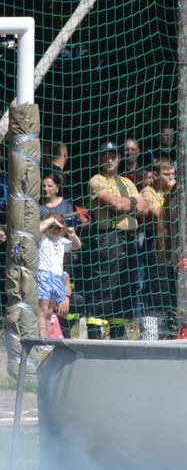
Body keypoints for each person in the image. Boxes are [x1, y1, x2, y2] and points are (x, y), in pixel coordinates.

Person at [84, 142, 149, 340]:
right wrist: (132, 203)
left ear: (119, 158)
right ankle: (95, 337)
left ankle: (119, 337)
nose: (110, 159)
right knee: (104, 287)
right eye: (105, 156)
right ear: (99, 158)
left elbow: (145, 207)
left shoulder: (127, 182)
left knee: (126, 289)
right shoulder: (97, 180)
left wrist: (127, 204)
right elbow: (113, 204)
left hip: (129, 239)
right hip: (108, 238)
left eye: (113, 155)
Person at [138, 158, 178, 339]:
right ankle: (153, 333)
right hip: (156, 243)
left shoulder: (176, 191)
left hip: (174, 244)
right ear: (155, 175)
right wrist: (172, 193)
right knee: (158, 288)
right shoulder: (148, 191)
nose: (171, 178)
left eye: (173, 174)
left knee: (173, 288)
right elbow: (159, 214)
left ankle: (174, 329)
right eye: (167, 174)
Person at [37, 213, 82, 339]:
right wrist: (51, 220)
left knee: (50, 312)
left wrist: (73, 235)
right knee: (42, 310)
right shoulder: (43, 238)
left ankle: (47, 339)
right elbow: (35, 230)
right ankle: (42, 339)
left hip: (56, 278)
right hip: (44, 276)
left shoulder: (62, 241)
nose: (54, 230)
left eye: (57, 228)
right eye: (52, 226)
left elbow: (77, 246)